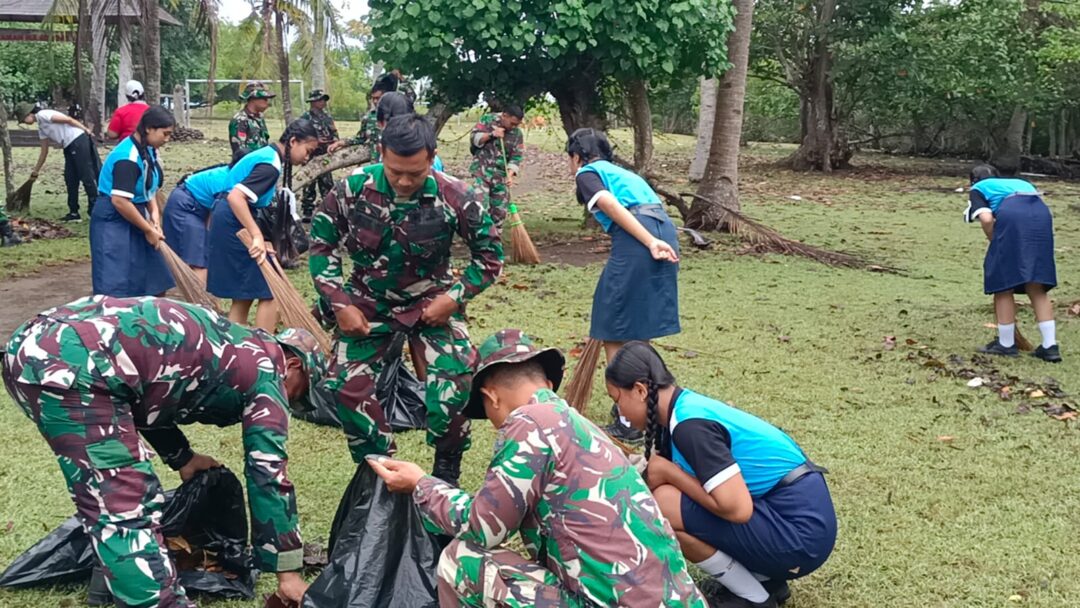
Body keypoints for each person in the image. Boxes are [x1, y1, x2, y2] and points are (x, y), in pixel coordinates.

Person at [1, 295, 326, 607]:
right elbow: (267, 471)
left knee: (115, 496)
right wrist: (288, 573)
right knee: (124, 509)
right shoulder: (269, 371)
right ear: (293, 364)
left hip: (36, 344)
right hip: (74, 364)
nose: (292, 403)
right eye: (299, 393)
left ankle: (115, 580)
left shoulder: (235, 339)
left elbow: (151, 390)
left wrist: (182, 457)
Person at [369, 329, 707, 608]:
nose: (493, 424)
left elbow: (484, 527)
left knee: (461, 558)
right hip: (679, 599)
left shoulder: (528, 423)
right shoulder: (580, 426)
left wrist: (421, 485)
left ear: (492, 396)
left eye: (487, 412)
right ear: (546, 381)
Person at [309, 114, 502, 486]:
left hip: (431, 303)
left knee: (454, 384)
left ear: (432, 157)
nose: (404, 181)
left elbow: (490, 257)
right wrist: (339, 302)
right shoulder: (352, 189)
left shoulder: (455, 195)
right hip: (366, 303)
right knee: (345, 384)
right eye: (396, 171)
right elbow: (322, 245)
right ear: (381, 152)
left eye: (415, 173)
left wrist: (454, 297)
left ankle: (447, 471)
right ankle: (379, 467)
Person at [605, 342, 837, 608]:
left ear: (640, 390)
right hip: (793, 519)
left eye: (616, 400)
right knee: (673, 498)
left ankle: (755, 598)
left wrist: (669, 472)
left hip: (801, 535)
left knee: (666, 503)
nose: (619, 412)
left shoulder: (689, 426)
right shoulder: (681, 410)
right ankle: (764, 579)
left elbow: (737, 509)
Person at [568, 127, 681, 442]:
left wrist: (649, 242)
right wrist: (657, 239)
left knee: (612, 326)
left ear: (576, 157)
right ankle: (649, 411)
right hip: (663, 230)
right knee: (637, 327)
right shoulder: (625, 174)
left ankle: (628, 420)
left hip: (642, 239)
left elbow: (611, 207)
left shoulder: (587, 173)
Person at [208, 119, 320, 331]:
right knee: (270, 290)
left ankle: (235, 346)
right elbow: (236, 197)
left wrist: (262, 236)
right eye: (307, 151)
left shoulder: (268, 156)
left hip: (230, 218)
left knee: (243, 296)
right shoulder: (270, 165)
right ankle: (265, 349)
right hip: (234, 220)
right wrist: (256, 236)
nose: (307, 158)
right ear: (293, 141)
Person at [965, 164, 1061, 362]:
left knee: (1003, 282)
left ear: (973, 180)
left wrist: (995, 240)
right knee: (1036, 284)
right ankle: (1050, 346)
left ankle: (1006, 344)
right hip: (1041, 215)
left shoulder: (978, 188)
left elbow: (986, 218)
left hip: (1012, 216)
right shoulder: (1021, 182)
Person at [90, 105, 176, 298]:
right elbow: (120, 201)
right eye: (165, 134)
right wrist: (147, 229)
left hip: (137, 213)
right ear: (149, 129)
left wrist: (155, 220)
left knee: (154, 278)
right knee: (116, 285)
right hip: (114, 218)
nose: (167, 139)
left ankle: (151, 322)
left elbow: (149, 189)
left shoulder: (149, 149)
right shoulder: (127, 158)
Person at [15, 101, 100, 222]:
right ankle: (74, 212)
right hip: (68, 146)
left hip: (78, 141)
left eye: (23, 119)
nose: (24, 122)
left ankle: (94, 211)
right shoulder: (41, 127)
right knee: (70, 178)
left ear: (29, 114)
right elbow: (44, 152)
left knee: (86, 176)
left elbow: (69, 120)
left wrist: (86, 130)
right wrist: (36, 171)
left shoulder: (44, 114)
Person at [161, 163, 231, 283]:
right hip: (186, 206)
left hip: (201, 207)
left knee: (203, 253)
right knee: (198, 260)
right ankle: (199, 299)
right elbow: (218, 216)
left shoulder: (235, 176)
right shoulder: (227, 182)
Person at [469, 104, 525, 226]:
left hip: (501, 177)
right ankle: (480, 238)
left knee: (499, 212)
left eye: (517, 125)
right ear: (504, 115)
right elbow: (474, 139)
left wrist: (510, 174)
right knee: (479, 207)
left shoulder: (517, 134)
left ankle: (495, 240)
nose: (514, 127)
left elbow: (516, 157)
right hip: (481, 173)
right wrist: (492, 134)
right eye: (512, 123)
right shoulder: (487, 120)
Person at [299, 89, 346, 222]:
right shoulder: (305, 118)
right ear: (313, 102)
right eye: (320, 100)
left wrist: (335, 141)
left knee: (327, 183)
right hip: (310, 155)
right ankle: (307, 211)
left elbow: (334, 132)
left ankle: (329, 209)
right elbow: (301, 136)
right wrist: (315, 142)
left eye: (324, 100)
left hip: (326, 155)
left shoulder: (327, 117)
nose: (323, 102)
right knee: (309, 184)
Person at [346, 72, 400, 162]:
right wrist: (343, 142)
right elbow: (360, 138)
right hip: (376, 165)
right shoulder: (369, 117)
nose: (375, 101)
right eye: (373, 98)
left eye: (378, 98)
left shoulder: (399, 115)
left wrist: (401, 78)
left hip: (396, 164)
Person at [229, 82, 275, 165]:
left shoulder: (259, 118)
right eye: (264, 99)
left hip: (261, 164)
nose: (267, 102)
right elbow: (240, 152)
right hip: (247, 167)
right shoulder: (240, 120)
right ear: (253, 99)